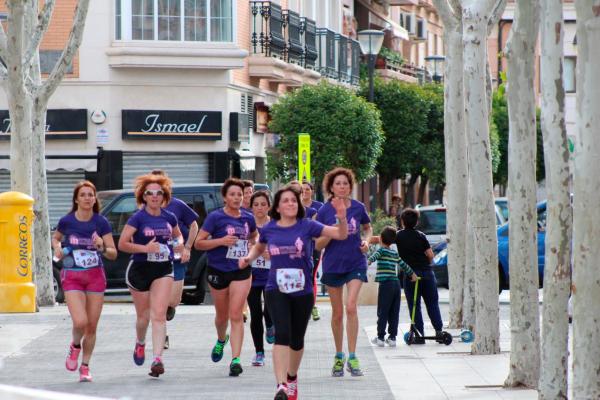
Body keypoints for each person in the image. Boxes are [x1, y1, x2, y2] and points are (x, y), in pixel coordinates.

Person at [239, 185, 348, 400]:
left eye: (293, 200)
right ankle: (280, 385)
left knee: (297, 340)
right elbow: (259, 247)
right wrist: (249, 258)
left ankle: (291, 376)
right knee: (282, 334)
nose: (290, 203)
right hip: (275, 288)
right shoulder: (269, 228)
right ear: (277, 207)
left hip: (303, 290)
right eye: (285, 200)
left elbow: (339, 234)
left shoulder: (307, 225)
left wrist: (342, 218)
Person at [118, 173, 185, 378]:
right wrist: (145, 249)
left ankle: (157, 359)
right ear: (143, 197)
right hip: (140, 269)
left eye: (159, 193)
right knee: (143, 317)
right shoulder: (137, 218)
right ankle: (140, 342)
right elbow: (122, 244)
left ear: (163, 196)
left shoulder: (169, 217)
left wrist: (179, 244)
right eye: (150, 193)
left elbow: (178, 235)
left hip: (163, 268)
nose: (155, 196)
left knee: (159, 314)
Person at [52, 181, 118, 382]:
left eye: (91, 195)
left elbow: (113, 253)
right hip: (72, 276)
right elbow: (56, 238)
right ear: (76, 199)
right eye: (83, 195)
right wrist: (56, 247)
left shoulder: (101, 222)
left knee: (91, 326)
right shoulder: (67, 221)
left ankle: (85, 366)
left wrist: (101, 247)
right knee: (80, 321)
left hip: (95, 277)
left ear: (94, 199)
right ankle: (75, 346)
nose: (88, 198)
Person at [194, 178, 257, 377]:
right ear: (225, 197)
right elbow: (198, 243)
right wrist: (221, 241)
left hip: (241, 270)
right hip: (218, 270)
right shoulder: (215, 217)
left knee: (236, 314)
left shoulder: (248, 217)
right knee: (222, 317)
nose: (237, 198)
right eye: (232, 194)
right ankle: (222, 340)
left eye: (240, 194)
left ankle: (236, 359)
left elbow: (254, 237)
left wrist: (250, 247)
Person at [316, 167, 372, 377]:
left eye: (345, 183)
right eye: (338, 183)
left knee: (351, 307)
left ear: (350, 186)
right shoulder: (324, 211)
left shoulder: (358, 207)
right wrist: (334, 230)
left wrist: (366, 242)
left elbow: (368, 228)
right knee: (338, 312)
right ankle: (339, 356)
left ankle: (353, 356)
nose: (342, 186)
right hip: (333, 264)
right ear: (331, 187)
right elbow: (318, 244)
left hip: (356, 261)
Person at [150, 170, 199, 350]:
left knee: (173, 301)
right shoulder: (144, 208)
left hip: (177, 258)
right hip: (156, 261)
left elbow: (194, 225)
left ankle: (169, 310)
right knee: (159, 302)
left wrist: (187, 246)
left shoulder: (177, 205)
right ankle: (162, 335)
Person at [395, 208, 444, 344]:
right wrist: (426, 264)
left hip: (411, 274)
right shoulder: (421, 235)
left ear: (403, 221)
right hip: (427, 273)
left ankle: (419, 334)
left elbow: (385, 239)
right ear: (416, 222)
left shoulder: (398, 236)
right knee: (432, 303)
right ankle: (439, 331)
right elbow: (430, 255)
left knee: (414, 305)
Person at [368, 226, 417, 347]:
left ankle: (380, 337)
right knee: (394, 312)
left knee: (383, 311)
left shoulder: (381, 251)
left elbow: (372, 258)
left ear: (380, 239)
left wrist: (366, 262)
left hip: (386, 284)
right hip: (396, 285)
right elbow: (404, 265)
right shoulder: (394, 253)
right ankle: (392, 338)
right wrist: (413, 274)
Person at [247, 190, 275, 367]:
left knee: (269, 310)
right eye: (256, 204)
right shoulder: (246, 226)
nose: (259, 208)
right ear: (251, 207)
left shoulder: (276, 225)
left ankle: (271, 325)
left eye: (263, 204)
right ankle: (259, 352)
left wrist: (270, 253)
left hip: (271, 273)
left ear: (269, 207)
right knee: (255, 313)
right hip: (251, 274)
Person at [301, 180, 324, 321]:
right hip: (298, 248)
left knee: (311, 276)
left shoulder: (318, 207)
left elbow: (322, 227)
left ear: (312, 191)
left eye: (307, 189)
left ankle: (312, 305)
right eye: (302, 190)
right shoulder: (295, 206)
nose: (305, 192)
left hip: (314, 247)